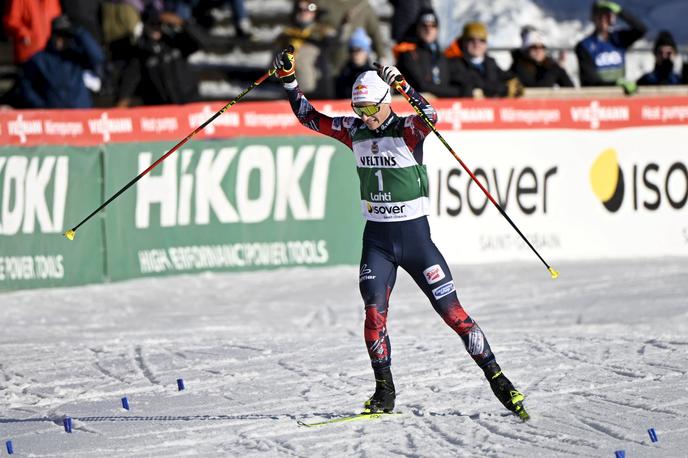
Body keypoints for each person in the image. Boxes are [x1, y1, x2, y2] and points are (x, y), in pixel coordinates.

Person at [271, 47, 529, 419]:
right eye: (360, 110)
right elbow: (308, 117)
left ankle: (499, 379)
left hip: (416, 244)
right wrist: (289, 80)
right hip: (377, 242)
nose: (366, 117)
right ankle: (384, 391)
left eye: (371, 109)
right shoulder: (354, 129)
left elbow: (432, 115)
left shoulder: (408, 130)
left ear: (385, 102)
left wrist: (403, 84)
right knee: (374, 314)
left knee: (454, 314)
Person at [115, 7, 203, 106]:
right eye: (151, 24)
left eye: (158, 24)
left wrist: (183, 23)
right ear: (144, 26)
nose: (155, 28)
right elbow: (129, 80)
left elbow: (202, 42)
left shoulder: (174, 42)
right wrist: (122, 101)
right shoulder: (141, 53)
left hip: (189, 100)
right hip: (163, 107)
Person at [16, 14, 104, 108]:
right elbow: (26, 85)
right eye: (57, 35)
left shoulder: (77, 56)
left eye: (65, 36)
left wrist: (79, 32)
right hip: (54, 117)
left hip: (80, 113)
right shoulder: (39, 59)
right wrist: (42, 106)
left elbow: (98, 57)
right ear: (51, 35)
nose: (60, 40)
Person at [575, 1, 646, 94]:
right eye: (600, 16)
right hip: (598, 98)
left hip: (620, 96)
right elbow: (590, 81)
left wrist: (620, 11)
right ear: (593, 18)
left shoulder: (618, 39)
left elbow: (641, 30)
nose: (604, 20)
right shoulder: (585, 46)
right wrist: (615, 84)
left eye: (608, 16)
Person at [445, 21, 522, 98]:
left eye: (482, 40)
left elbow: (505, 76)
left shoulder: (490, 63)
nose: (477, 44)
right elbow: (476, 83)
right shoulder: (454, 64)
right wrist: (505, 89)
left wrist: (514, 81)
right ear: (463, 42)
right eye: (471, 40)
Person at [276, 0, 335, 99]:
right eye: (300, 9)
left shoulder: (324, 32)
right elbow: (273, 65)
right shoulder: (285, 36)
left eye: (309, 9)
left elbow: (339, 45)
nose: (304, 13)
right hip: (291, 92)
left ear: (315, 12)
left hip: (317, 91)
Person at [394, 8, 458, 97]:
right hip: (413, 106)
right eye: (424, 26)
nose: (428, 30)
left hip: (443, 107)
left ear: (437, 29)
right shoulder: (408, 53)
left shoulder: (442, 55)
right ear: (417, 28)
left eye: (433, 25)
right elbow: (421, 86)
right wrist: (458, 92)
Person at [335, 27, 375, 99]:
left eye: (358, 50)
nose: (355, 54)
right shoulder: (344, 74)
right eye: (352, 50)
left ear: (366, 52)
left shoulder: (374, 74)